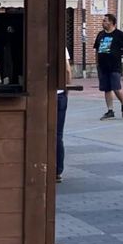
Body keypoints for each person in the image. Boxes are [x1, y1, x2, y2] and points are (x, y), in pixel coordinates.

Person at [94, 13, 123, 120]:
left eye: (105, 20)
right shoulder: (100, 34)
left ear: (111, 22)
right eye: (103, 20)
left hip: (114, 65)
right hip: (102, 66)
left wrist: (119, 54)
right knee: (107, 88)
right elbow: (97, 49)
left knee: (116, 87)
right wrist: (97, 63)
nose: (103, 22)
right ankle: (110, 110)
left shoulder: (119, 34)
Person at [56, 47, 71, 183]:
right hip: (59, 94)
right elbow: (67, 70)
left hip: (42, 94)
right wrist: (66, 88)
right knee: (58, 135)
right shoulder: (60, 45)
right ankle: (58, 171)